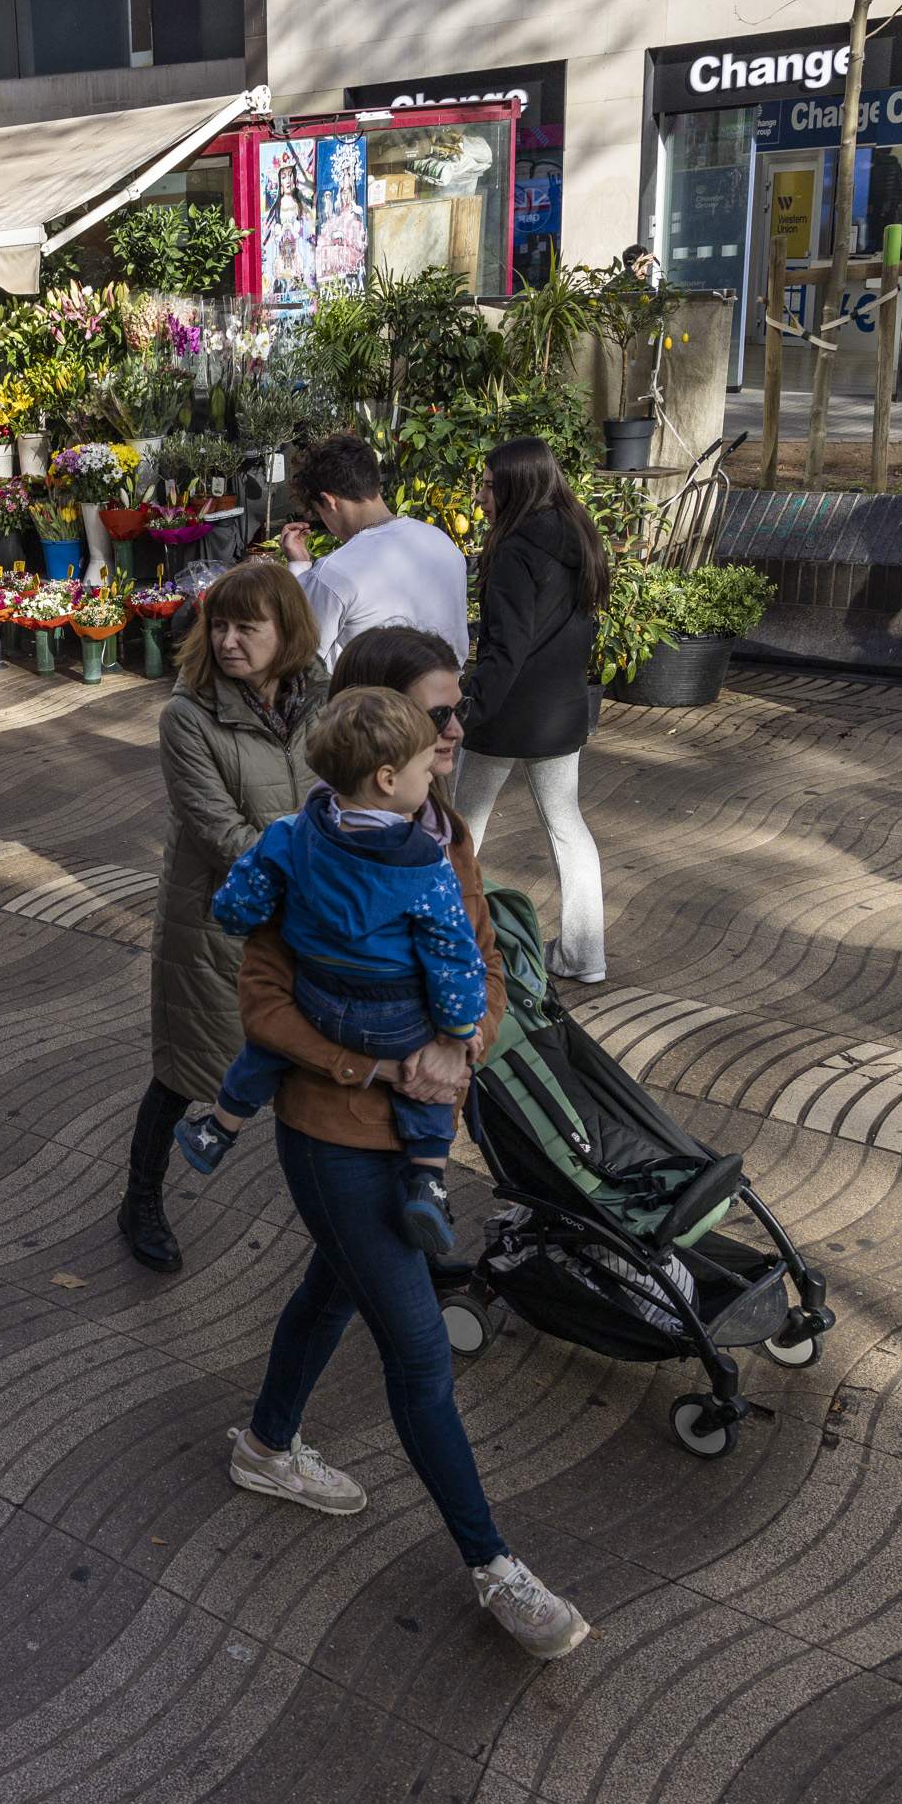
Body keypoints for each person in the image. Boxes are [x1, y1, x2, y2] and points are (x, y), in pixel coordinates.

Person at [222, 625, 591, 1664]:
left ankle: (265, 1443)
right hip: (335, 1134)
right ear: (378, 735)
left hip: (419, 1123)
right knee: (419, 1351)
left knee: (329, 1290)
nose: (461, 730)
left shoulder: (442, 834)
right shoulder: (299, 851)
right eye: (441, 716)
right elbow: (261, 1007)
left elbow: (486, 963)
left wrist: (462, 1043)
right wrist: (383, 1068)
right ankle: (495, 1570)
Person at [177, 686, 485, 1255]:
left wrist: (248, 918)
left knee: (265, 1051)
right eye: (424, 768)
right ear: (389, 779)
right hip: (394, 1018)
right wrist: (458, 1031)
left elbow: (239, 899)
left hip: (316, 998)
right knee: (431, 1089)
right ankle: (429, 1180)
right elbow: (455, 955)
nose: (430, 779)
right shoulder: (425, 864)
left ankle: (218, 1126)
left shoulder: (293, 833)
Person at [123, 561, 329, 1272]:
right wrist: (328, 873)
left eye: (249, 626)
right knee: (188, 1068)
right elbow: (221, 833)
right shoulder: (188, 715)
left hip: (309, 921)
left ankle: (356, 1224)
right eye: (221, 624)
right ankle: (140, 1200)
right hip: (218, 922)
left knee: (324, 1074)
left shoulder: (321, 697)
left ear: (288, 632)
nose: (231, 640)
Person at [455, 436, 609, 986]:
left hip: (504, 713)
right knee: (568, 828)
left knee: (461, 828)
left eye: (490, 486)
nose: (480, 497)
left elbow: (505, 647)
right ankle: (585, 955)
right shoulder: (580, 537)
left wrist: (466, 713)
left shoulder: (515, 550)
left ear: (517, 486)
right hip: (561, 710)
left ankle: (447, 942)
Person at [280, 433, 470, 666]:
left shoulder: (338, 571)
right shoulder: (441, 542)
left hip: (371, 700)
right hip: (446, 693)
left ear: (329, 501)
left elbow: (301, 655)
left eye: (319, 513)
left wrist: (300, 568)